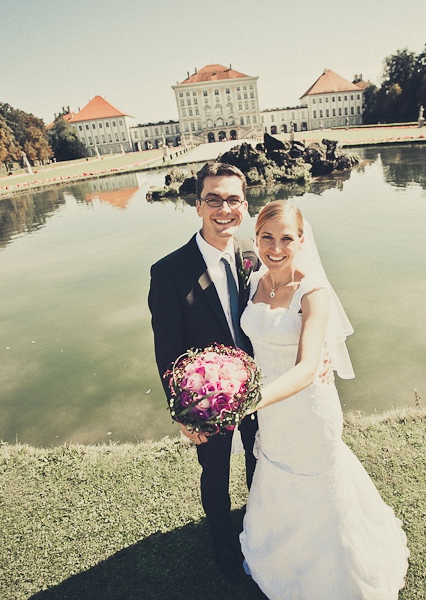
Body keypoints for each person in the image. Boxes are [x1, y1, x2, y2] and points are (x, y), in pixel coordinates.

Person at [239, 201, 409, 599]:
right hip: (272, 414)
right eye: (267, 237)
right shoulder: (254, 282)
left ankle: (334, 577)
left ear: (301, 241)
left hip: (307, 410)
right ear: (256, 239)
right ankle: (280, 558)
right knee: (278, 474)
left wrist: (249, 402)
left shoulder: (314, 293)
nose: (275, 248)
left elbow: (307, 365)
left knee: (317, 483)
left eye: (286, 239)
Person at [148, 162, 259, 580]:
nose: (223, 208)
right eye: (213, 199)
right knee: (214, 473)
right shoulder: (169, 272)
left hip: (258, 389)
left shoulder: (254, 253)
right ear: (197, 205)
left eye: (232, 199)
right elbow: (167, 352)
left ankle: (259, 528)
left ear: (244, 205)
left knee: (258, 459)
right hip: (206, 398)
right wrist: (181, 412)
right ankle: (223, 546)